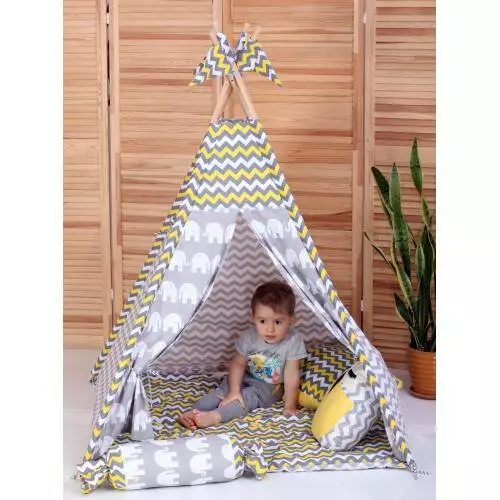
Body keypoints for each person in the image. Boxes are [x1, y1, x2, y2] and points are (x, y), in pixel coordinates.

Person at [178, 280, 307, 429]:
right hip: (246, 375)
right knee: (222, 392)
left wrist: (290, 405)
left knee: (247, 398)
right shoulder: (249, 337)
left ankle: (215, 416)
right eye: (262, 321)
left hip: (269, 386)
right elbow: (238, 364)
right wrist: (233, 390)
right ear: (253, 318)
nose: (270, 329)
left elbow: (292, 374)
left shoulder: (293, 341)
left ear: (291, 320)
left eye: (278, 322)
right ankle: (193, 413)